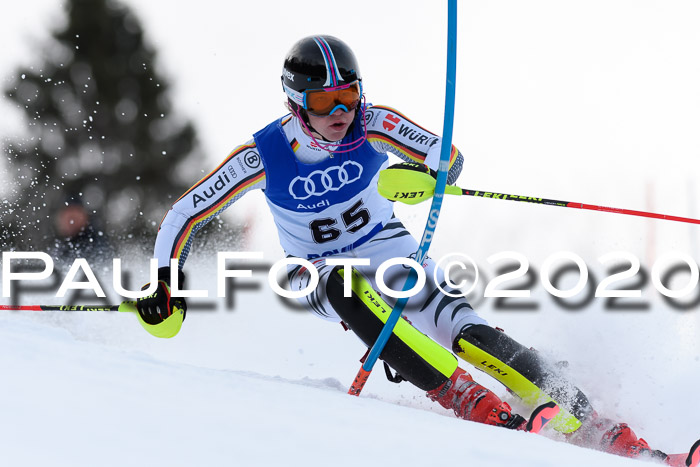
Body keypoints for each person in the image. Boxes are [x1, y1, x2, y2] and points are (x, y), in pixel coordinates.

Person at [136, 35, 677, 464]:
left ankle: (608, 428)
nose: (340, 111)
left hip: (392, 252)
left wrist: (429, 173)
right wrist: (165, 281)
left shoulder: (373, 124)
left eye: (348, 96)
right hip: (316, 269)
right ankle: (463, 396)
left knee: (475, 336)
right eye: (323, 101)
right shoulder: (263, 154)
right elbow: (185, 213)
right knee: (343, 287)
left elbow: (447, 156)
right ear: (295, 103)